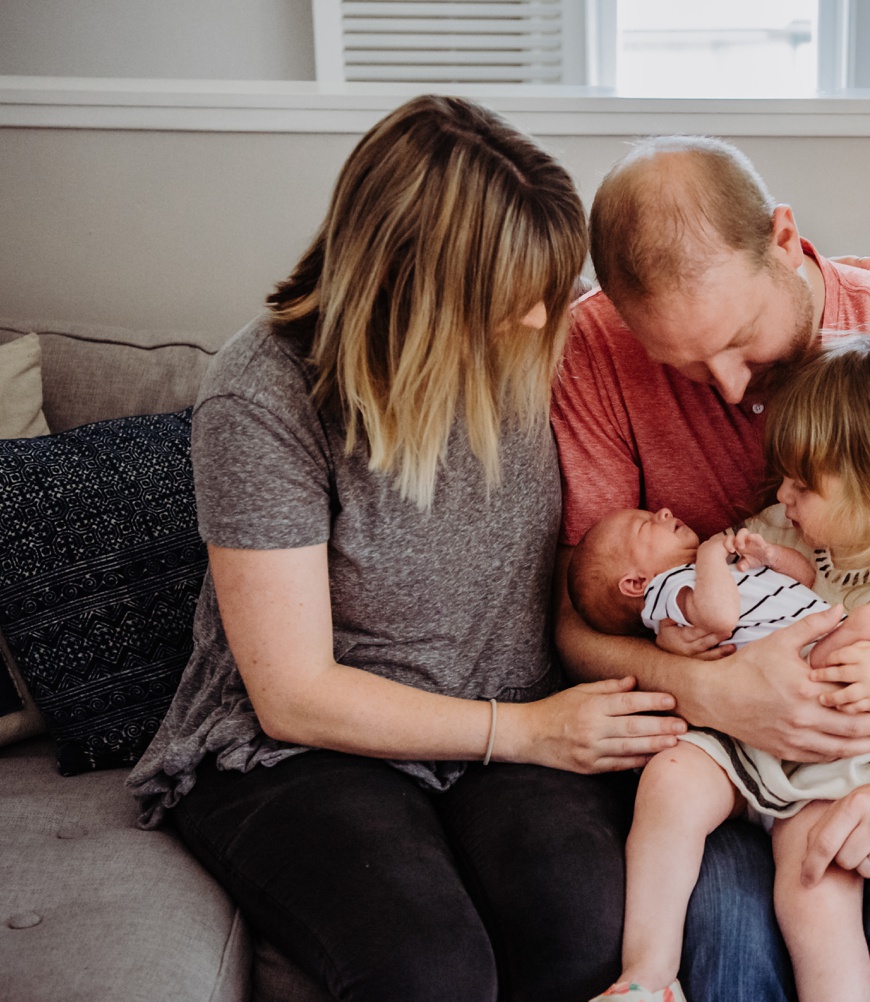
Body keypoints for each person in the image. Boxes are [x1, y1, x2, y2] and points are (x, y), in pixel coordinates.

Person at [125, 95, 688, 1002]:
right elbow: (294, 695)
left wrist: (827, 288)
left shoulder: (533, 335)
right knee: (431, 973)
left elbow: (685, 300)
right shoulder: (266, 398)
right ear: (415, 285)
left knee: (589, 932)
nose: (547, 322)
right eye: (519, 299)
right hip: (305, 747)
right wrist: (532, 732)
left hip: (507, 715)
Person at [551, 135, 870, 1000]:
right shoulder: (592, 352)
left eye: (739, 340)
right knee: (730, 943)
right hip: (720, 742)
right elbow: (578, 623)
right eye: (684, 367)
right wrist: (709, 694)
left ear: (782, 236)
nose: (732, 390)